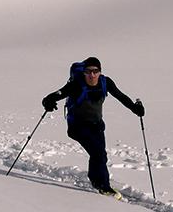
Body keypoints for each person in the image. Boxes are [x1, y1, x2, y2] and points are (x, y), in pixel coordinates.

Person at [42, 56, 144, 195]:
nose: (92, 75)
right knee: (98, 154)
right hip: (77, 126)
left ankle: (97, 181)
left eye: (95, 71)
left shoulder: (105, 82)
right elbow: (56, 94)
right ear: (84, 72)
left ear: (100, 72)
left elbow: (121, 96)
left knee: (100, 155)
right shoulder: (76, 85)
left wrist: (135, 108)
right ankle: (103, 186)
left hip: (96, 125)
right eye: (88, 71)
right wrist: (48, 101)